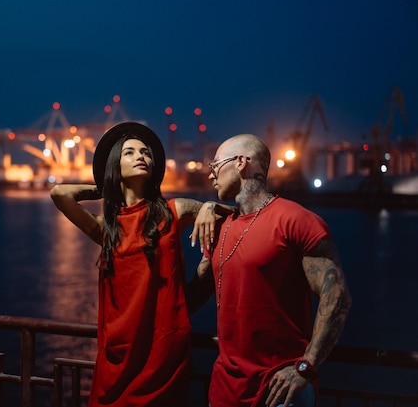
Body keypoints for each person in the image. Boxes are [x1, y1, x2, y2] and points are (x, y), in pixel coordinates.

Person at [50, 121, 225, 407]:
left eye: (145, 153)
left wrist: (209, 207)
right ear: (114, 166)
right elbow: (60, 193)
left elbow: (234, 219)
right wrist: (103, 187)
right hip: (117, 354)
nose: (142, 156)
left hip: (163, 355)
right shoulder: (106, 228)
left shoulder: (175, 211)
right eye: (129, 153)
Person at [194, 134, 352, 407]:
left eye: (215, 165)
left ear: (241, 162)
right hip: (224, 391)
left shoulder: (296, 220)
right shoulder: (218, 228)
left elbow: (337, 298)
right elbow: (192, 296)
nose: (210, 175)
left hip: (281, 391)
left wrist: (306, 367)